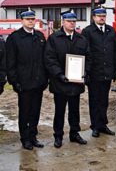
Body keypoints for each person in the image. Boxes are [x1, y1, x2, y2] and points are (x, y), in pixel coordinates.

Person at [45, 10, 90, 148]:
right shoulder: (54, 38)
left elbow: (88, 57)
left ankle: (74, 133)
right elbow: (49, 59)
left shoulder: (81, 39)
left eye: (74, 22)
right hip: (60, 82)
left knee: (75, 110)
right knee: (59, 111)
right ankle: (58, 136)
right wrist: (59, 74)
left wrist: (85, 72)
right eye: (69, 21)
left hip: (76, 82)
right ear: (63, 22)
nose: (72, 24)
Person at [6, 8, 48, 150]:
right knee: (25, 112)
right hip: (23, 83)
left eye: (32, 19)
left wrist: (45, 79)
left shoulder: (40, 36)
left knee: (35, 111)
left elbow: (44, 59)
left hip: (38, 82)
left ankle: (33, 136)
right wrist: (14, 81)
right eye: (28, 19)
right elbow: (10, 62)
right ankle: (25, 139)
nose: (31, 21)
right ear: (22, 20)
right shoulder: (15, 38)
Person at [81, 8, 116, 138]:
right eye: (99, 16)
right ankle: (95, 126)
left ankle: (103, 124)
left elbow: (115, 52)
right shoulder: (88, 31)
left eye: (103, 15)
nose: (102, 18)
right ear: (93, 17)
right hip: (94, 73)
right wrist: (86, 72)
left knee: (104, 100)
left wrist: (115, 70)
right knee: (94, 101)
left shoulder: (111, 31)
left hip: (107, 71)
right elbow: (85, 52)